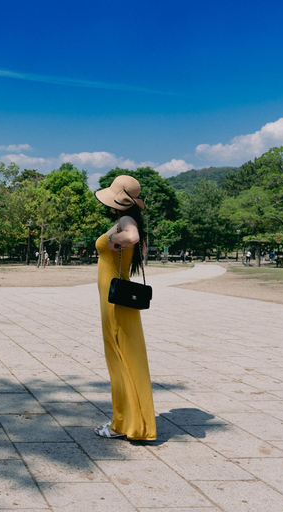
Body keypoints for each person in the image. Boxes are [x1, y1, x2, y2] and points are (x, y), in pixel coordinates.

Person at [92, 175, 156, 441]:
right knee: (123, 360)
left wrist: (116, 237)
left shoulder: (126, 222)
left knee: (119, 362)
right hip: (115, 301)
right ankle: (130, 421)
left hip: (116, 303)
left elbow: (132, 237)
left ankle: (123, 425)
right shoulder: (126, 220)